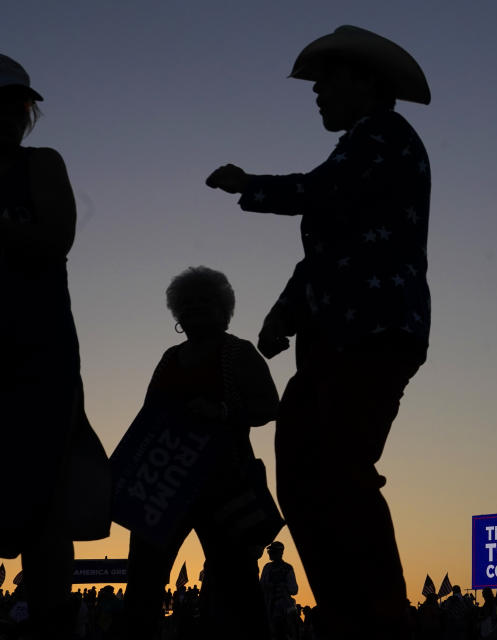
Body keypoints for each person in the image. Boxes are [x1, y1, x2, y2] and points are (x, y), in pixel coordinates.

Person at [205, 25, 431, 638]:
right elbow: (325, 251)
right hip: (337, 337)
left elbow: (322, 196)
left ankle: (376, 615)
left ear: (366, 81)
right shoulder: (359, 143)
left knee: (339, 469)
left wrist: (248, 184)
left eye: (327, 80)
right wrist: (284, 314)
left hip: (372, 332)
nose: (317, 93)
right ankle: (344, 609)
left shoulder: (383, 137)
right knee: (305, 468)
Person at [0, 54, 111, 639]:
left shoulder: (40, 164)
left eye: (16, 104)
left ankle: (51, 625)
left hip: (39, 363)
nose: (13, 114)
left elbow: (53, 239)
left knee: (46, 504)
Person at [120, 266, 280, 640]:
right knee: (143, 583)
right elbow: (148, 417)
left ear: (223, 310)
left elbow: (270, 406)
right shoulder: (169, 358)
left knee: (238, 585)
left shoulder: (239, 353)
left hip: (225, 487)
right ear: (177, 313)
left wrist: (223, 411)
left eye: (203, 302)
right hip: (164, 488)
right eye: (186, 304)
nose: (193, 309)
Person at [260, 541, 298, 640]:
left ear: (279, 553)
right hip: (270, 608)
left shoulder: (287, 568)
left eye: (272, 551)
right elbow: (261, 585)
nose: (270, 553)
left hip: (284, 609)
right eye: (270, 552)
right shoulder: (267, 568)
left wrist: (281, 586)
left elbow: (294, 590)